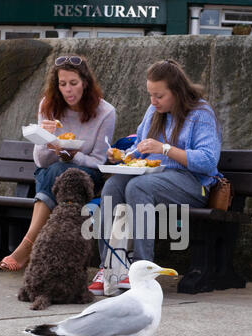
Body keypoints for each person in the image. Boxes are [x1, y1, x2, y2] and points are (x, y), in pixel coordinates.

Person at [88, 58, 222, 296]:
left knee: (139, 187)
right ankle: (109, 267)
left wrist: (166, 149)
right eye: (150, 95)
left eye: (159, 96)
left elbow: (208, 161)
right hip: (155, 177)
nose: (153, 101)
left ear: (177, 92)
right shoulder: (153, 111)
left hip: (192, 184)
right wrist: (122, 156)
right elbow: (142, 147)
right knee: (112, 188)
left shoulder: (200, 114)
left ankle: (142, 271)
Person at [0, 55, 115, 271]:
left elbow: (98, 162)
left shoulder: (105, 112)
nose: (68, 90)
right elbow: (40, 161)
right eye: (63, 84)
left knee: (59, 169)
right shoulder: (48, 104)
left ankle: (27, 245)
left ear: (85, 83)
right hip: (52, 177)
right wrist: (45, 139)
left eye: (73, 83)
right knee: (53, 169)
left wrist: (72, 156)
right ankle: (32, 247)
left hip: (87, 179)